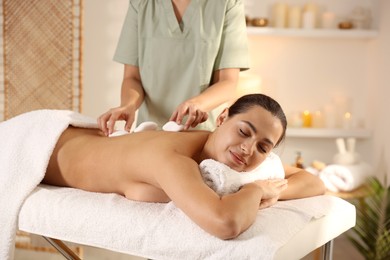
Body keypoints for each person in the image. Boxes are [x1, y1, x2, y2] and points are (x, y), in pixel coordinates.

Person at [43, 94, 326, 240]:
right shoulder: (172, 157)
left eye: (263, 147)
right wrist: (255, 190)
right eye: (243, 131)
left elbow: (314, 182)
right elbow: (226, 223)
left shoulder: (218, 158)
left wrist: (272, 191)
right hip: (46, 141)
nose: (248, 149)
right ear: (222, 117)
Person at [98, 0, 250, 136]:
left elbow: (228, 82)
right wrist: (127, 106)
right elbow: (132, 78)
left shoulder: (228, 4)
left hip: (201, 134)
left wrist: (197, 104)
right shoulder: (140, 4)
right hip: (151, 135)